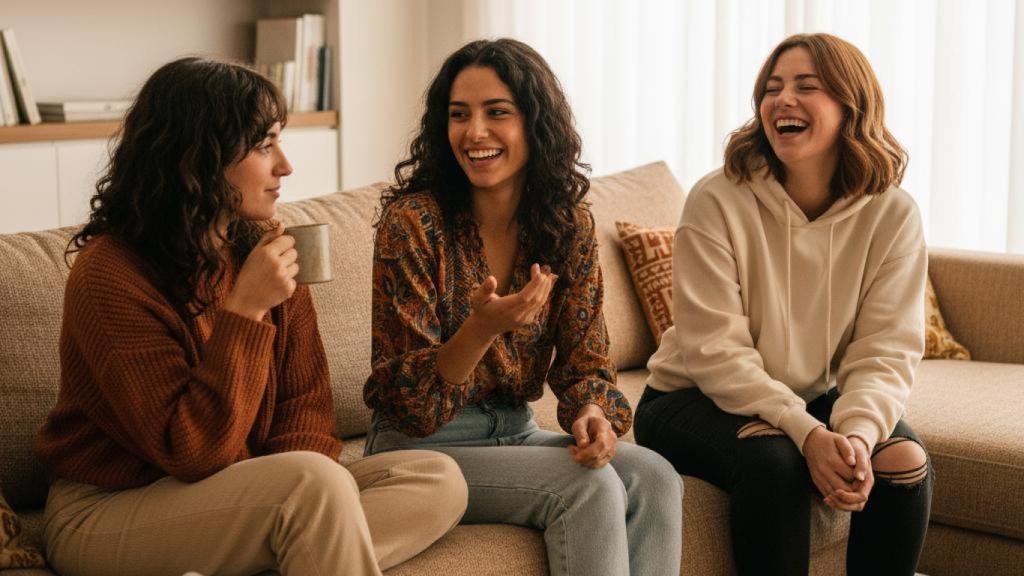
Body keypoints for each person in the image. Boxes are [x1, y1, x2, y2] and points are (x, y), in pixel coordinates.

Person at [34, 57, 467, 576]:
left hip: (244, 493)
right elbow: (190, 451)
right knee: (312, 486)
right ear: (197, 160)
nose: (285, 165)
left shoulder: (265, 247)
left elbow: (305, 412)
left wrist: (285, 498)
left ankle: (295, 546)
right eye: (264, 146)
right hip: (109, 509)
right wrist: (246, 308)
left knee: (437, 479)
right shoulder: (111, 275)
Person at [363, 39, 682, 576]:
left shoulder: (565, 225)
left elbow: (586, 363)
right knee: (586, 487)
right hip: (420, 448)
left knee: (655, 479)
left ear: (535, 124)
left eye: (497, 113)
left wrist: (593, 415)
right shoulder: (413, 223)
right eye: (459, 115)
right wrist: (480, 330)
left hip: (514, 431)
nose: (474, 133)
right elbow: (406, 404)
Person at [635, 33, 932, 576]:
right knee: (776, 461)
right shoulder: (717, 199)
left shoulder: (893, 214)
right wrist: (808, 433)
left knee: (901, 463)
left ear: (850, 105)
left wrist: (860, 435)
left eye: (806, 87)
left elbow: (886, 350)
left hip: (811, 394)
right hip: (689, 397)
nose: (782, 100)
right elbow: (715, 351)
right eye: (772, 89)